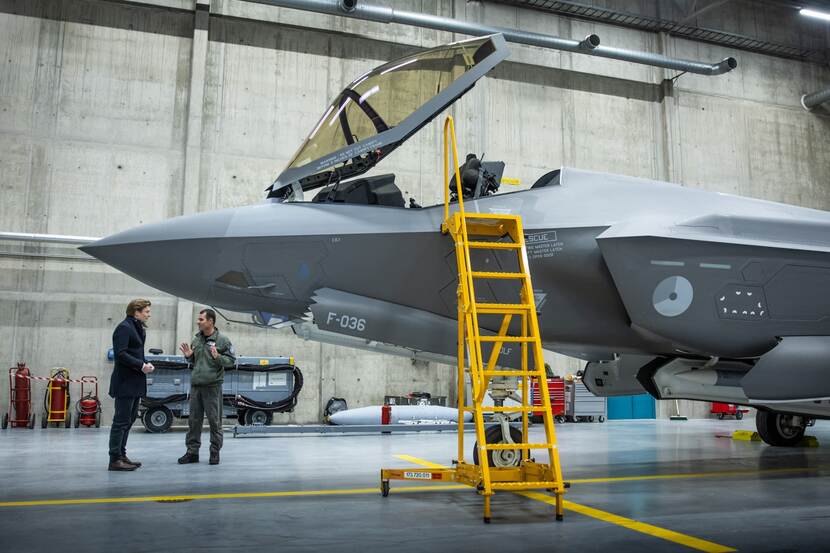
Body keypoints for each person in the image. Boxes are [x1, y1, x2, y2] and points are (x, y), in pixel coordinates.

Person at [178, 308, 235, 465]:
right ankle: (192, 453)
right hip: (196, 386)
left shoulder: (223, 340)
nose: (198, 322)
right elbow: (195, 362)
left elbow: (231, 361)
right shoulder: (196, 340)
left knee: (214, 422)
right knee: (193, 421)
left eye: (201, 319)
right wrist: (189, 357)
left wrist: (218, 358)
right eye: (198, 319)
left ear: (211, 321)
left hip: (212, 387)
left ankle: (214, 453)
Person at [108, 299, 155, 471]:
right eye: (146, 311)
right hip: (125, 382)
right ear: (136, 312)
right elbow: (120, 354)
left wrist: (146, 362)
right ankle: (114, 459)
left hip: (134, 383)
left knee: (129, 420)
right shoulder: (124, 328)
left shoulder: (137, 328)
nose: (149, 314)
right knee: (120, 421)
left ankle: (121, 454)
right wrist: (141, 365)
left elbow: (136, 353)